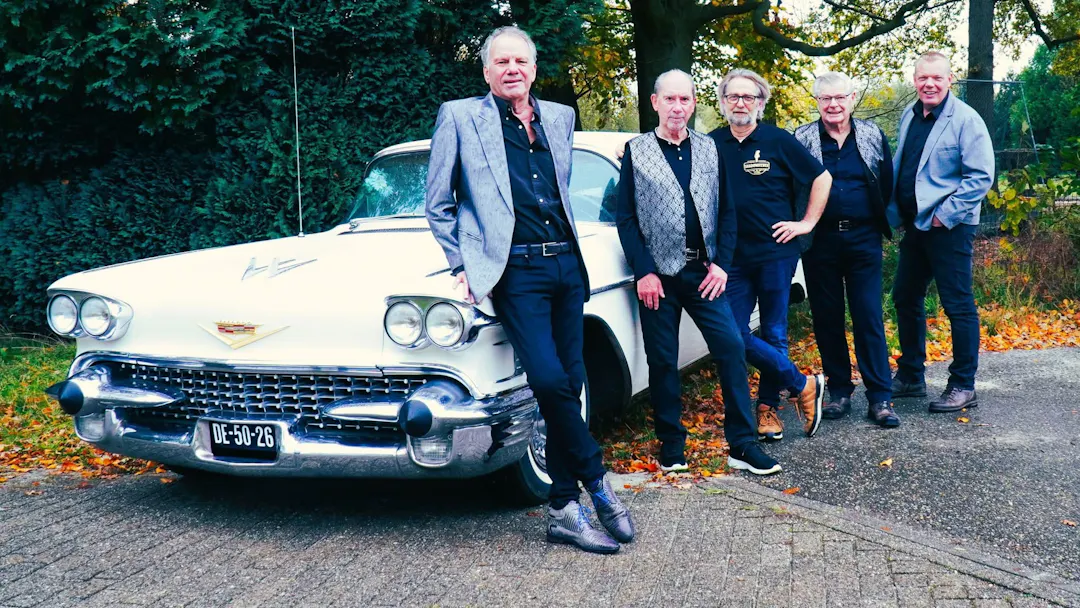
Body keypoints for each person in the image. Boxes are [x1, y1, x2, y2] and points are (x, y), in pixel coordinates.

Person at [425, 26, 633, 554]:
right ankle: (596, 479)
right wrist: (460, 262)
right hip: (515, 272)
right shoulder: (460, 117)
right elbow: (439, 203)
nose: (512, 69)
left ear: (534, 69)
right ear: (487, 71)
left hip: (567, 265)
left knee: (571, 382)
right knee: (547, 379)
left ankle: (563, 508)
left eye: (521, 61)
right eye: (502, 62)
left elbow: (559, 189)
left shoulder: (559, 117)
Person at [615, 69, 781, 476]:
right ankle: (672, 446)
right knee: (662, 360)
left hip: (703, 273)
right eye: (670, 99)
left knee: (732, 348)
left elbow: (727, 212)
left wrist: (722, 264)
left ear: (693, 104)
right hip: (658, 278)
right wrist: (644, 271)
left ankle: (742, 445)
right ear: (655, 102)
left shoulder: (710, 149)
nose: (677, 107)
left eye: (684, 99)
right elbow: (626, 218)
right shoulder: (636, 151)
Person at [708, 69, 830, 442]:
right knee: (732, 334)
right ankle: (803, 384)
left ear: (761, 103)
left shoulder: (778, 140)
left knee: (774, 331)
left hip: (776, 253)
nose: (740, 103)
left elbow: (822, 178)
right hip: (730, 258)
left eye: (749, 97)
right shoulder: (710, 144)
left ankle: (767, 411)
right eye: (733, 96)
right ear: (723, 102)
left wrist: (806, 223)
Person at [888, 52, 994, 413]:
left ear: (950, 79)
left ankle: (963, 385)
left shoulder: (966, 119)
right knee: (905, 296)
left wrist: (943, 216)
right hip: (914, 226)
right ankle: (911, 376)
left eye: (936, 77)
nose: (929, 84)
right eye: (923, 78)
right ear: (915, 80)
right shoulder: (910, 115)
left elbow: (980, 176)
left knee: (957, 304)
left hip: (949, 227)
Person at [793, 71, 900, 428]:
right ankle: (839, 390)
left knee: (868, 316)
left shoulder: (871, 134)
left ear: (852, 99)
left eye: (840, 97)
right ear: (817, 102)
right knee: (827, 317)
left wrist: (876, 221)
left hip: (863, 239)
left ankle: (880, 397)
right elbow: (793, 186)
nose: (833, 105)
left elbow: (886, 183)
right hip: (819, 241)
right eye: (826, 99)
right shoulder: (802, 138)